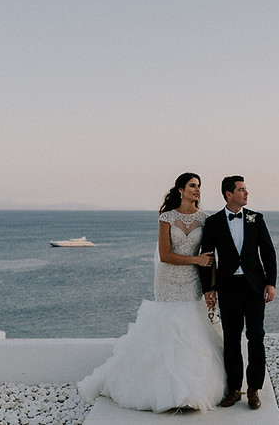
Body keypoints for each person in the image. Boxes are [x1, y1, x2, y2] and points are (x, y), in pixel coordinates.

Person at [78, 173, 226, 413]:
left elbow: (210, 258)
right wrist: (195, 259)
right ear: (180, 189)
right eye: (192, 185)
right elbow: (165, 255)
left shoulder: (205, 219)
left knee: (191, 329)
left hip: (192, 281)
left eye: (199, 186)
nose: (197, 190)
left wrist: (211, 287)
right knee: (168, 328)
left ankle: (191, 390)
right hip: (167, 280)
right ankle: (165, 390)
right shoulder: (166, 218)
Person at [199, 175, 277, 410]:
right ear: (228, 194)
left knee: (256, 336)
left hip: (254, 287)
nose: (246, 193)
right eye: (241, 190)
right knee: (231, 339)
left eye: (246, 189)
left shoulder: (256, 218)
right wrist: (208, 289)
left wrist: (270, 283)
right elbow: (207, 257)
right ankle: (234, 389)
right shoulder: (214, 222)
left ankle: (254, 389)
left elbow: (268, 252)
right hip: (229, 287)